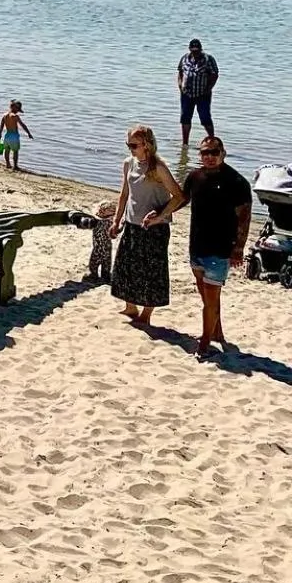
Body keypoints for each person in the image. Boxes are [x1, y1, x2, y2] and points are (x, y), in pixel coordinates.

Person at [169, 135, 252, 360]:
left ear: (223, 153)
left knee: (211, 298)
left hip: (221, 249)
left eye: (214, 152)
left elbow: (244, 217)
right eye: (205, 153)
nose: (209, 157)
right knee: (207, 297)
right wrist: (159, 214)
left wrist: (238, 249)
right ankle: (217, 331)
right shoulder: (195, 177)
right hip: (196, 246)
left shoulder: (237, 182)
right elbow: (181, 200)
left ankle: (204, 343)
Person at [109, 124, 183, 327]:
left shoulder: (157, 167)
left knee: (152, 270)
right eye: (128, 145)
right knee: (126, 266)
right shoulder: (128, 164)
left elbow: (178, 196)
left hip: (155, 228)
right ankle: (130, 306)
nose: (131, 149)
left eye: (134, 145)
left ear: (147, 145)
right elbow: (124, 194)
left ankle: (146, 314)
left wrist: (160, 216)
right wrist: (117, 220)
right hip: (132, 224)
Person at [177, 38, 219, 147]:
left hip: (202, 94)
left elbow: (214, 75)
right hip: (186, 94)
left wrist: (209, 88)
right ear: (190, 49)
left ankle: (212, 140)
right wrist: (180, 85)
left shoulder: (208, 59)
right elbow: (180, 71)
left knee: (205, 118)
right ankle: (185, 143)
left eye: (197, 50)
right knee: (185, 118)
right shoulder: (185, 58)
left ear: (201, 49)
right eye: (193, 50)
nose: (195, 52)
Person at [0, 100, 33, 171]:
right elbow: (23, 125)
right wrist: (28, 133)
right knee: (15, 151)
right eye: (18, 109)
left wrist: (0, 134)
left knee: (7, 150)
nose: (18, 111)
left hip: (7, 135)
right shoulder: (15, 116)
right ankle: (15, 166)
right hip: (14, 136)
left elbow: (1, 125)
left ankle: (8, 164)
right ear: (14, 108)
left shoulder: (4, 115)